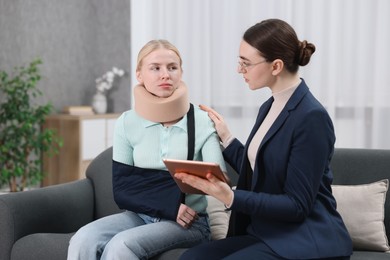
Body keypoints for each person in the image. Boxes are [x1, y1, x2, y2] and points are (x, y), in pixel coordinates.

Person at [175, 19, 353, 259]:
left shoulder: (312, 118)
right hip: (266, 232)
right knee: (191, 258)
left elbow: (297, 205)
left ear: (276, 66)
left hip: (303, 238)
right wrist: (226, 137)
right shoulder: (269, 107)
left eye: (246, 63)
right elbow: (262, 169)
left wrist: (229, 196)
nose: (240, 69)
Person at [67, 39, 227, 260]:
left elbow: (217, 180)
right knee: (82, 238)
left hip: (190, 221)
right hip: (140, 215)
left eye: (172, 67)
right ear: (140, 75)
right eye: (155, 68)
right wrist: (168, 203)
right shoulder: (127, 122)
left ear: (181, 72)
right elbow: (122, 189)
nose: (165, 75)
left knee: (121, 246)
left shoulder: (200, 120)